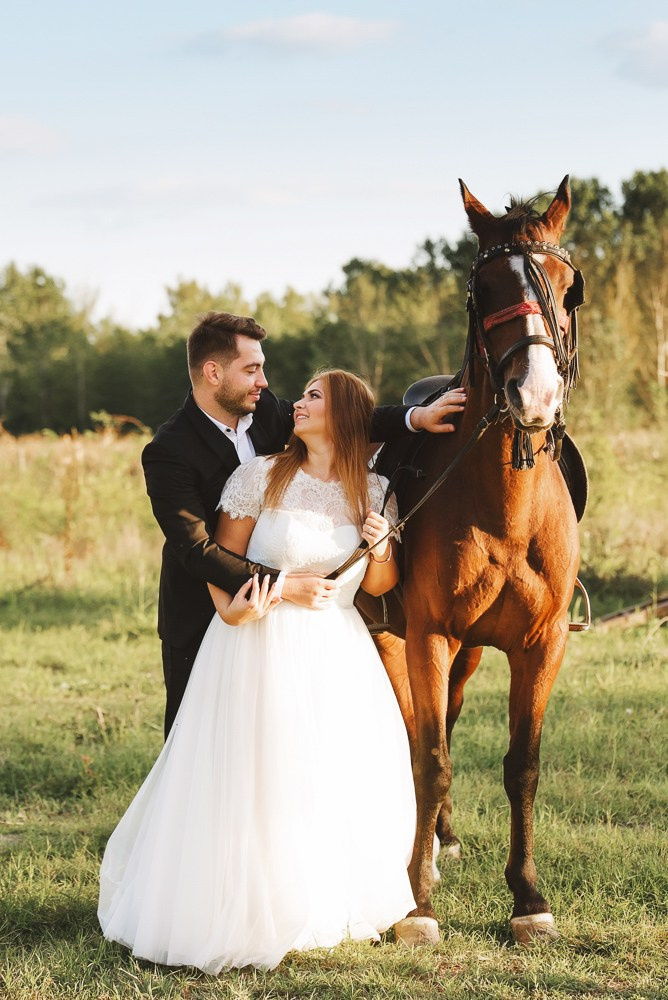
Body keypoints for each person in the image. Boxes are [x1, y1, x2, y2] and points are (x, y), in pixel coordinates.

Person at [99, 370, 419, 972]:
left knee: (328, 773)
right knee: (259, 774)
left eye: (314, 396)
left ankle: (319, 900)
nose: (296, 402)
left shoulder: (375, 490)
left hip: (338, 651)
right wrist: (249, 606)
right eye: (302, 394)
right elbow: (223, 563)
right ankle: (240, 905)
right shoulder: (260, 476)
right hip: (259, 644)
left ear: (345, 414)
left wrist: (381, 546)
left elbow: (379, 585)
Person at [142, 312, 467, 736]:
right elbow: (197, 551)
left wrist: (415, 419)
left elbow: (345, 417)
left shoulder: (265, 412)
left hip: (305, 627)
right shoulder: (168, 450)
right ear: (213, 372)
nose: (263, 381)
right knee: (195, 738)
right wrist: (284, 585)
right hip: (200, 608)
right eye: (252, 369)